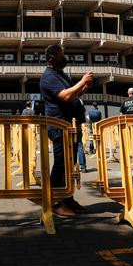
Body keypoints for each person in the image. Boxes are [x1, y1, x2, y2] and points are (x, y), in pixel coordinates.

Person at [39, 44, 93, 217]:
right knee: (61, 164)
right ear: (52, 58)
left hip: (70, 125)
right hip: (59, 125)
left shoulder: (61, 75)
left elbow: (73, 96)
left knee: (70, 164)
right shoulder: (48, 77)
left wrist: (82, 89)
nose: (65, 58)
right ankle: (54, 203)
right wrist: (82, 81)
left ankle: (68, 199)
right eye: (62, 55)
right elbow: (65, 96)